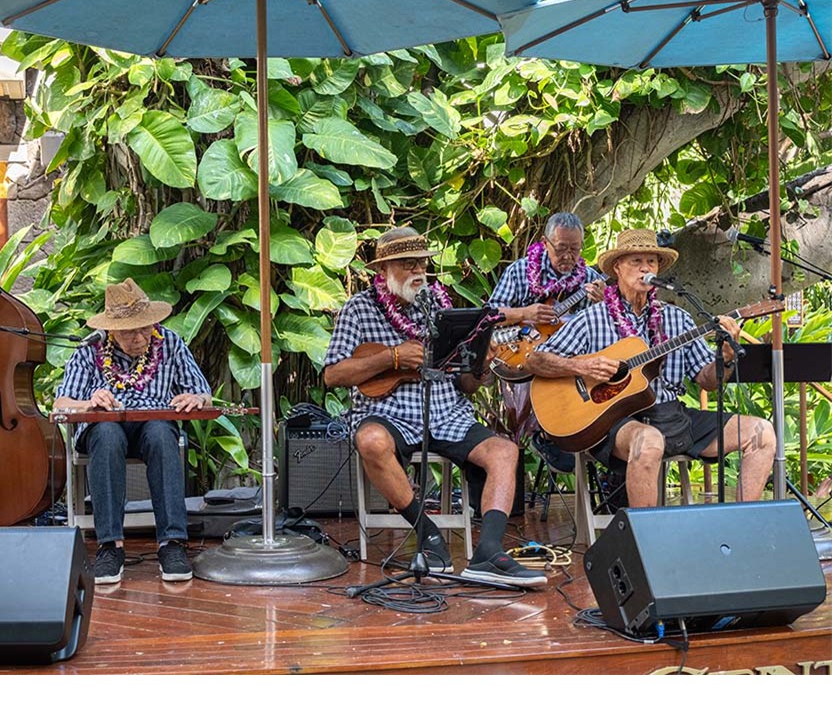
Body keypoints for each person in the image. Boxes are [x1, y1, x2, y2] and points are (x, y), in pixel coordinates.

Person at [323, 226, 547, 587]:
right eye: (407, 264)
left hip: (446, 412)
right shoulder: (358, 309)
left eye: (422, 264)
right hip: (386, 412)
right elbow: (333, 375)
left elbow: (465, 383)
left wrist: (481, 366)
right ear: (384, 270)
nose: (418, 271)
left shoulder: (440, 307)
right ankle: (427, 532)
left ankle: (489, 552)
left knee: (505, 452)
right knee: (370, 441)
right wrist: (392, 357)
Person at [525, 229, 775, 507]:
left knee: (761, 432)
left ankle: (744, 523)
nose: (645, 268)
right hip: (615, 423)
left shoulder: (677, 319)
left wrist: (725, 358)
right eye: (636, 261)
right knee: (649, 440)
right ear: (617, 267)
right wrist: (582, 365)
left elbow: (708, 381)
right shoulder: (592, 318)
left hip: (673, 418)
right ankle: (646, 534)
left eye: (652, 262)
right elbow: (535, 359)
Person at [53, 279, 212, 585]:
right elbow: (61, 403)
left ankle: (172, 543)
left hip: (153, 423)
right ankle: (110, 546)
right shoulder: (90, 349)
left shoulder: (170, 342)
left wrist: (197, 399)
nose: (140, 337)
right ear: (111, 330)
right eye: (129, 331)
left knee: (161, 434)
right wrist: (89, 403)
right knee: (107, 434)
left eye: (145, 328)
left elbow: (203, 392)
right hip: (104, 428)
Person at [486, 212, 606, 473]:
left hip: (568, 359)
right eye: (561, 249)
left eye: (575, 249)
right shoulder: (519, 271)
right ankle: (545, 434)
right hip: (518, 355)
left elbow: (599, 329)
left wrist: (603, 304)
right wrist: (524, 313)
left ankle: (572, 434)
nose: (568, 256)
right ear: (545, 243)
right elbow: (489, 316)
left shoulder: (589, 278)